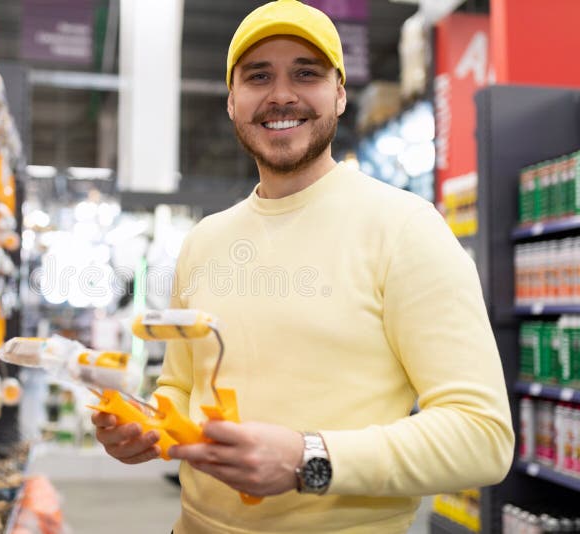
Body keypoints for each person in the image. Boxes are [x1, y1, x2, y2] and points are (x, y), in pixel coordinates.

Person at [92, 1, 514, 532]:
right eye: (258, 76)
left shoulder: (406, 229)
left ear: (339, 93)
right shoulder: (205, 241)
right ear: (231, 101)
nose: (281, 94)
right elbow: (181, 386)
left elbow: (483, 437)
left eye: (306, 74)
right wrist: (147, 426)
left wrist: (307, 458)